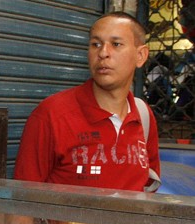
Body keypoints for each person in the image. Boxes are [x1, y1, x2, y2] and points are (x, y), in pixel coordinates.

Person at [14, 11, 161, 193]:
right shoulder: (51, 115)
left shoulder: (143, 116)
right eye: (95, 44)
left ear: (141, 55)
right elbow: (21, 200)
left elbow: (148, 190)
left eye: (116, 44)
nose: (103, 53)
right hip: (64, 223)